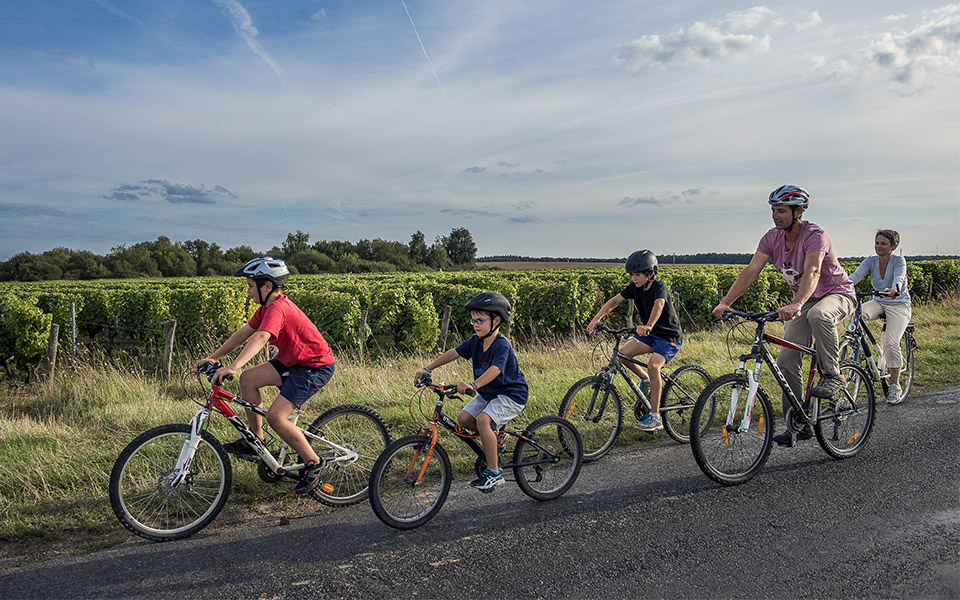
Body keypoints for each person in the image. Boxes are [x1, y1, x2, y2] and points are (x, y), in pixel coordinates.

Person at [713, 185, 855, 446]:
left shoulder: (815, 235)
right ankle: (798, 422)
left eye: (780, 211)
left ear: (798, 211)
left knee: (819, 316)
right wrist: (726, 302)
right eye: (772, 210)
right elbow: (751, 271)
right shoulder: (771, 238)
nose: (774, 216)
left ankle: (833, 373)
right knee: (787, 359)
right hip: (805, 302)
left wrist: (797, 303)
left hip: (836, 294)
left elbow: (812, 271)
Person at [198, 257, 337, 496]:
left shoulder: (278, 308)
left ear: (267, 287)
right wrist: (213, 357)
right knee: (248, 379)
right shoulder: (265, 308)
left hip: (313, 366)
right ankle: (257, 441)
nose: (248, 290)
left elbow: (261, 337)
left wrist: (233, 366)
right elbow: (244, 333)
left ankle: (315, 463)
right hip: (291, 361)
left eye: (251, 285)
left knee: (276, 417)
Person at [414, 292, 528, 491]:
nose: (475, 325)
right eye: (473, 320)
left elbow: (495, 370)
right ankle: (495, 437)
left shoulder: (502, 344)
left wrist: (473, 385)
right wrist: (428, 368)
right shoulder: (476, 340)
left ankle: (494, 473)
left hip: (511, 394)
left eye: (480, 320)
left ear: (496, 320)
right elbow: (454, 353)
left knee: (483, 420)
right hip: (490, 393)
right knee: (464, 419)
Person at [586, 249, 683, 432]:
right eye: (631, 275)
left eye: (638, 274)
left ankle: (656, 417)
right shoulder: (634, 288)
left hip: (668, 336)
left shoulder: (659, 287)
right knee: (622, 355)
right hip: (650, 335)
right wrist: (596, 319)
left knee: (654, 366)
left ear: (651, 272)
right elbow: (614, 301)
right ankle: (646, 380)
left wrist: (649, 325)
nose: (634, 278)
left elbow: (659, 304)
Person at [848, 229, 912, 404]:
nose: (879, 246)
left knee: (891, 342)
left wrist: (895, 289)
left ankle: (895, 386)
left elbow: (899, 277)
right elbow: (854, 277)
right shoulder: (871, 261)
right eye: (877, 243)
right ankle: (859, 348)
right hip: (878, 301)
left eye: (883, 243)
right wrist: (840, 286)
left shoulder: (899, 261)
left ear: (893, 246)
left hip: (898, 304)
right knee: (857, 313)